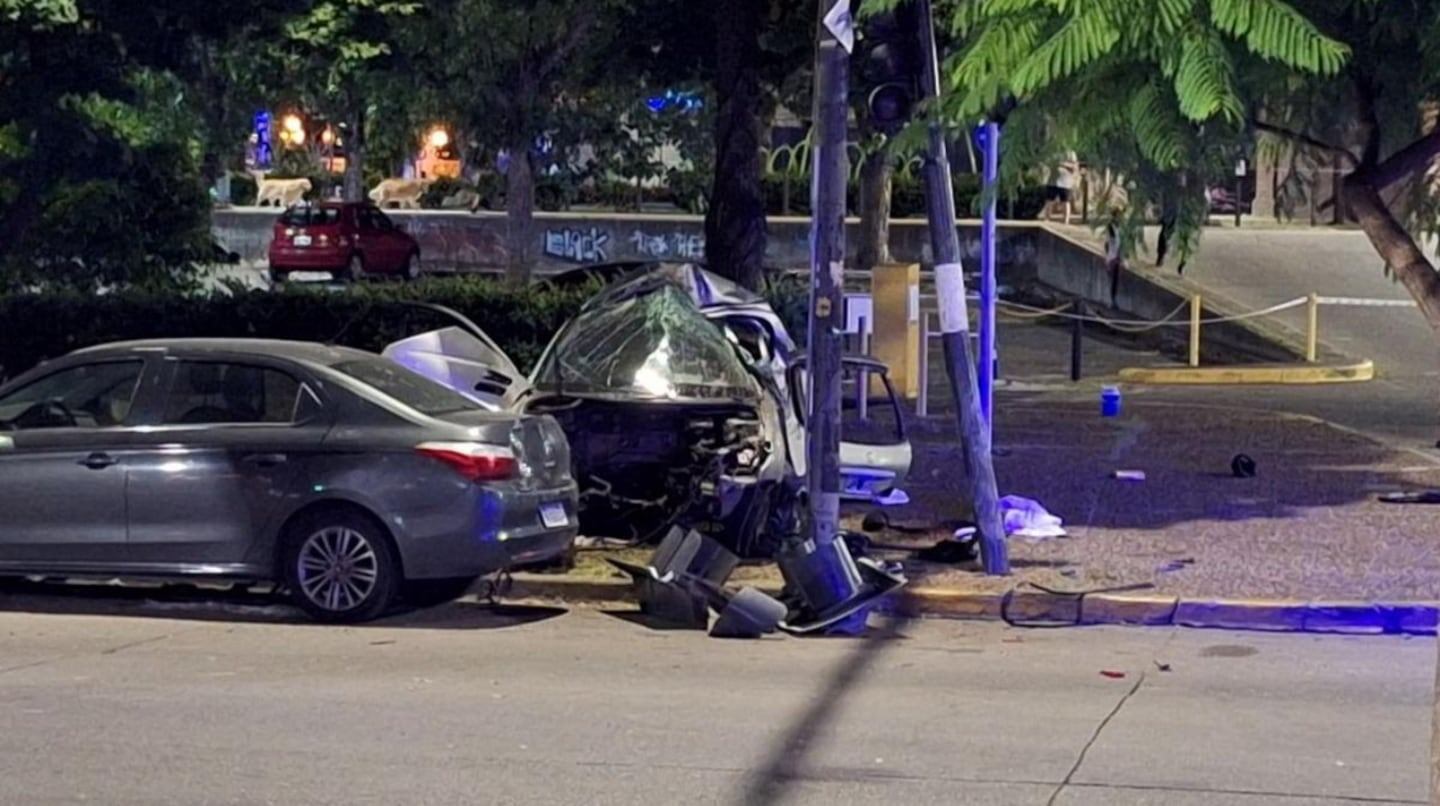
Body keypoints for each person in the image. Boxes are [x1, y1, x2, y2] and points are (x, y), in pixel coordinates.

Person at [1043, 152, 1079, 224]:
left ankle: (1066, 221)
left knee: (1065, 201)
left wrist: (1062, 164)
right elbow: (1048, 163)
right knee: (1049, 200)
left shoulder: (1071, 153)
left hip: (1065, 182)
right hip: (1053, 181)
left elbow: (1074, 167)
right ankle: (1047, 219)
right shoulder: (1053, 151)